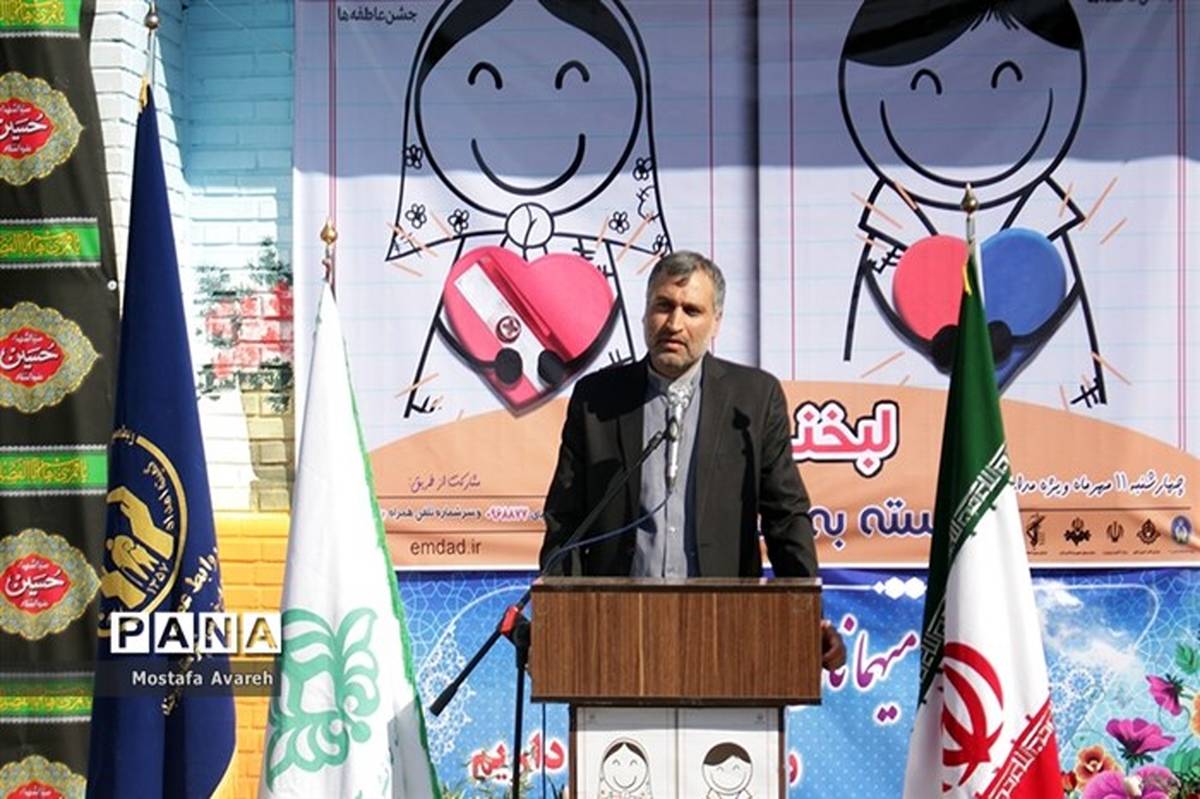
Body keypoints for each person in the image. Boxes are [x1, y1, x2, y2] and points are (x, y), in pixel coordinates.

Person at [540, 249, 845, 670]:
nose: (674, 323)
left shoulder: (753, 399)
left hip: (724, 634)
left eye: (692, 310)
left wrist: (807, 616)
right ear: (645, 313)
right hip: (616, 634)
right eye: (663, 306)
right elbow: (567, 522)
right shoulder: (598, 400)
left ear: (715, 322)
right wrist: (562, 621)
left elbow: (786, 518)